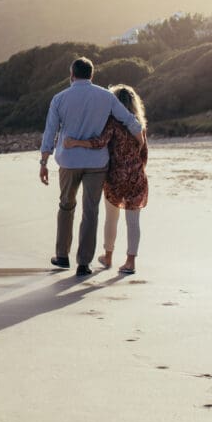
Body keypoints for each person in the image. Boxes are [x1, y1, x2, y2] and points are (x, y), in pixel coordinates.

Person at [39, 58, 143, 277]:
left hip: (69, 161)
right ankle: (84, 263)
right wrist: (140, 139)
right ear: (92, 75)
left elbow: (50, 132)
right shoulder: (106, 97)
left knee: (66, 206)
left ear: (71, 74)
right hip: (97, 163)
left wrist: (44, 161)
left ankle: (62, 256)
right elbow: (129, 120)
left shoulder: (59, 99)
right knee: (91, 211)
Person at [64, 85, 148, 275]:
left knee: (111, 218)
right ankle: (130, 262)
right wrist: (136, 170)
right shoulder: (138, 125)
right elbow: (144, 153)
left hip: (115, 177)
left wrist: (76, 142)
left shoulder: (112, 123)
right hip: (136, 176)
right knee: (133, 221)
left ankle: (108, 256)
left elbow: (99, 143)